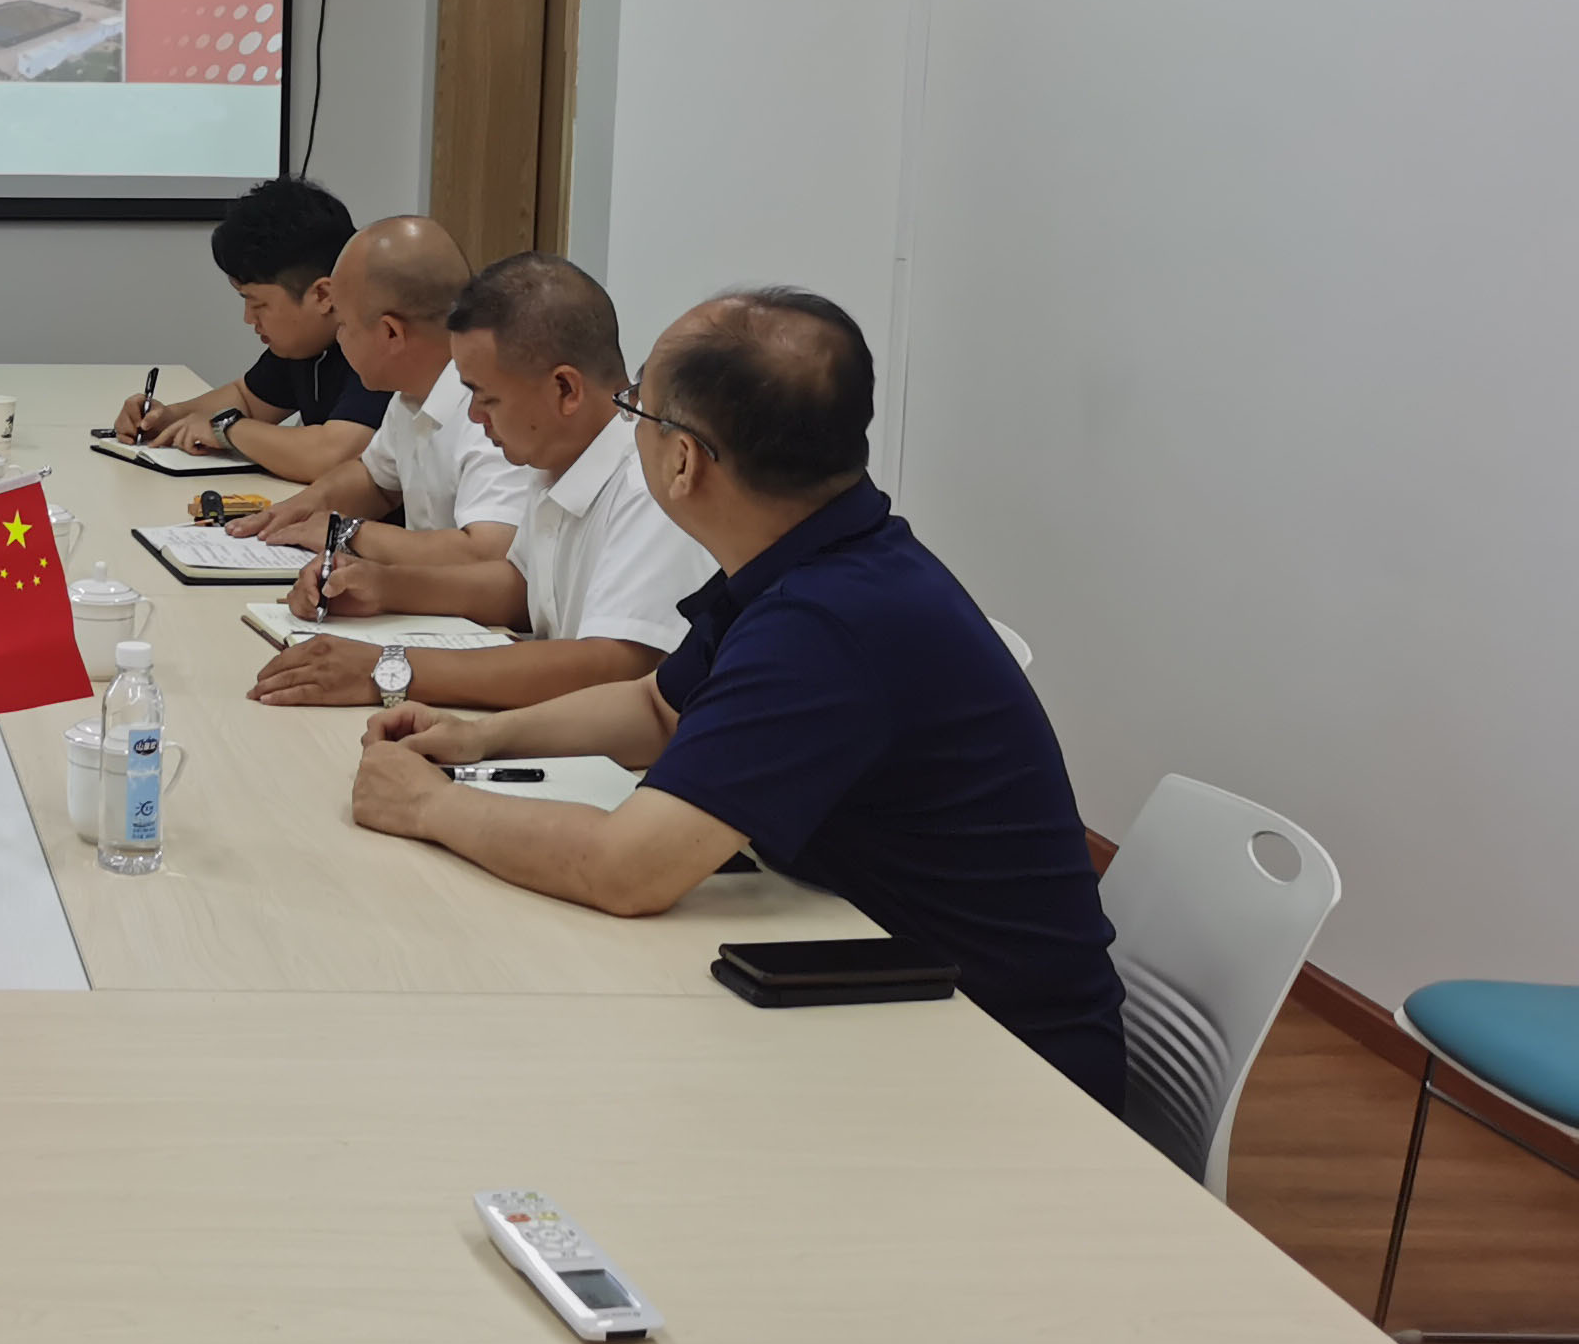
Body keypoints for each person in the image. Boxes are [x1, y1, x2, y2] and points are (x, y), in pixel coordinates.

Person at [346, 289, 1127, 1105]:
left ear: (683, 461)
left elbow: (627, 869)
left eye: (635, 409)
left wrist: (428, 806)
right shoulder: (817, 557)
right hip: (881, 980)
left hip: (1000, 1063)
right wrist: (481, 739)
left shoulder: (828, 624)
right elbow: (657, 709)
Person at [253, 251, 709, 710]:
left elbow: (613, 665)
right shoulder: (557, 457)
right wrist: (384, 586)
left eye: (487, 399)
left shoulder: (647, 485)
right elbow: (522, 588)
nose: (473, 416)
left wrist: (388, 668)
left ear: (565, 390)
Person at [236, 215, 543, 629]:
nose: (338, 339)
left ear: (391, 334)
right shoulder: (411, 393)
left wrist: (346, 533)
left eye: (343, 325)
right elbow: (374, 480)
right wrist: (297, 511)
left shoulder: (488, 408)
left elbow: (487, 553)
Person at [107, 176, 390, 482]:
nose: (248, 318)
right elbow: (247, 398)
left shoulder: (380, 343)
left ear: (322, 295)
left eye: (258, 303)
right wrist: (166, 418)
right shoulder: (307, 343)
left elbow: (331, 456)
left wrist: (226, 428)